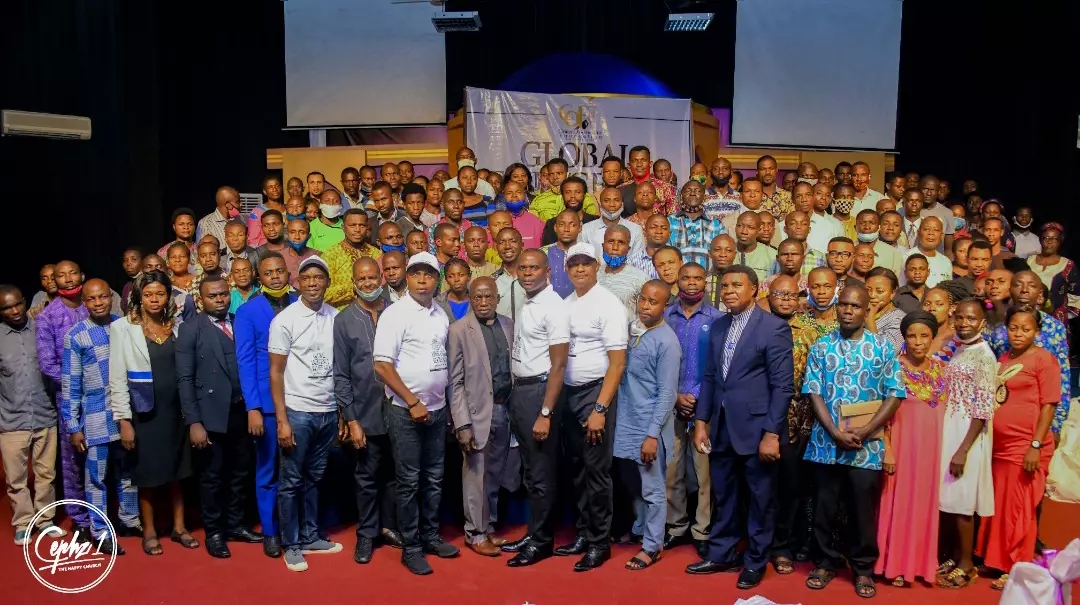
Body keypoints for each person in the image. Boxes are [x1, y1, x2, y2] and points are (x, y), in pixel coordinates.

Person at [687, 265, 794, 590]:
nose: (729, 290)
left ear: (754, 290)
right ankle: (722, 553)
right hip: (720, 428)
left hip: (758, 430)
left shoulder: (773, 328)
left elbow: (783, 387)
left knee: (761, 499)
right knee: (725, 495)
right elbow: (709, 378)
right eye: (725, 285)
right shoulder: (718, 327)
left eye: (737, 285)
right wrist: (701, 422)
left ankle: (755, 561)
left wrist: (772, 434)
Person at [802, 284, 905, 599]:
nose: (848, 311)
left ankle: (862, 569)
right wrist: (834, 431)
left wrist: (866, 430)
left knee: (862, 511)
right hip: (825, 443)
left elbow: (895, 394)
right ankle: (824, 562)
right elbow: (813, 391)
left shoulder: (883, 348)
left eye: (855, 306)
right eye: (843, 305)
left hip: (866, 447)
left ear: (865, 310)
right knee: (823, 508)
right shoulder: (821, 346)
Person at [373, 252, 459, 575]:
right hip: (406, 411)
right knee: (408, 482)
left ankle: (431, 537)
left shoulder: (441, 314)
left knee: (435, 478)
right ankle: (410, 547)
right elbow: (382, 365)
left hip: (437, 409)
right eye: (416, 273)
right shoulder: (395, 314)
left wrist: (445, 404)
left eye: (429, 274)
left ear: (437, 280)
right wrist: (412, 401)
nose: (423, 279)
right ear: (406, 278)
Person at [109, 270, 198, 556]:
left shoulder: (178, 325)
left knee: (178, 471)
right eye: (148, 295)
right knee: (146, 474)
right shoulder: (124, 328)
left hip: (176, 412)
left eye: (160, 293)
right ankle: (148, 530)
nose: (154, 299)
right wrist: (124, 420)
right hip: (144, 413)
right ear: (138, 297)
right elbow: (117, 378)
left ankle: (180, 527)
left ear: (168, 295)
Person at [176, 275, 262, 559]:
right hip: (210, 413)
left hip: (242, 409)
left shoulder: (240, 321)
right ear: (201, 299)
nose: (220, 300)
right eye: (213, 296)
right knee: (212, 476)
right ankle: (214, 531)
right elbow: (185, 378)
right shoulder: (190, 328)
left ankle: (236, 524)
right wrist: (194, 422)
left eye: (224, 294)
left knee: (241, 471)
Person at [269, 256, 343, 571]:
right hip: (298, 411)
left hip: (327, 411)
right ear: (297, 282)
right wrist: (282, 420)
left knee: (315, 478)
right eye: (307, 277)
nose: (313, 283)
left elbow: (341, 369)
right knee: (291, 481)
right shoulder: (285, 320)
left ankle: (312, 535)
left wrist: (340, 413)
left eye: (319, 277)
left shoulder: (336, 317)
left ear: (327, 282)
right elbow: (275, 372)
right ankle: (292, 544)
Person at [557, 242, 628, 571]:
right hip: (569, 393)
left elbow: (617, 363)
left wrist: (600, 409)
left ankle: (600, 542)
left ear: (596, 266)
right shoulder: (567, 303)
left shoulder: (609, 304)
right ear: (567, 268)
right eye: (574, 264)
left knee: (597, 472)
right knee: (578, 468)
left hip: (595, 393)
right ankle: (584, 533)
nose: (580, 269)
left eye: (586, 263)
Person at [978, 306, 1059, 590]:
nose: (1019, 333)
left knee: (1020, 508)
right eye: (1014, 328)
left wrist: (1035, 445)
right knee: (1001, 507)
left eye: (1026, 329)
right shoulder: (1003, 358)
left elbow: (1049, 405)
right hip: (999, 446)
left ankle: (1018, 566)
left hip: (1026, 446)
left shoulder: (1044, 360)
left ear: (1036, 331)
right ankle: (998, 559)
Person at [333, 257, 403, 564]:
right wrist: (351, 419)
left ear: (382, 277)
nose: (368, 283)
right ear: (353, 282)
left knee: (396, 474)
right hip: (365, 412)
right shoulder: (344, 319)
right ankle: (367, 534)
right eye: (361, 279)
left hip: (400, 409)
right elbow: (341, 374)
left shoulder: (398, 312)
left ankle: (389, 526)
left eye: (373, 277)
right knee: (367, 476)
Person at [503, 249, 571, 566]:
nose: (527, 273)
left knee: (542, 473)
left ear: (548, 272)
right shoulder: (530, 303)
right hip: (522, 391)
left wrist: (545, 412)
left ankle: (543, 542)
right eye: (523, 268)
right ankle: (534, 531)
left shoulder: (554, 307)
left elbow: (559, 365)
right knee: (530, 471)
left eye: (534, 268)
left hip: (540, 392)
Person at [60, 279, 134, 554]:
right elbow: (70, 383)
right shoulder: (76, 335)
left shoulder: (123, 326)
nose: (99, 302)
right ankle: (100, 532)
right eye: (92, 299)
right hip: (94, 418)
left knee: (128, 472)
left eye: (103, 297)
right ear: (84, 302)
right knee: (96, 477)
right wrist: (73, 426)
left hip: (124, 415)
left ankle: (128, 520)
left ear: (111, 297)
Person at [874, 311, 947, 587]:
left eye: (924, 336)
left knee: (924, 506)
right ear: (903, 338)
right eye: (912, 336)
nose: (918, 342)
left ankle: (919, 564)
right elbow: (881, 413)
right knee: (898, 505)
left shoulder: (941, 368)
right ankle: (893, 564)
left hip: (931, 452)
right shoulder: (893, 367)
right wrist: (887, 449)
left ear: (932, 337)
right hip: (902, 449)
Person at [235, 252, 297, 558]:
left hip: (301, 398)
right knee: (268, 471)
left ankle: (296, 528)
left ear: (288, 273)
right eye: (268, 272)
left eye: (279, 271)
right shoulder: (248, 311)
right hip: (267, 404)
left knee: (299, 470)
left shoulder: (301, 303)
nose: (275, 276)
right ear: (260, 277)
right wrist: (253, 407)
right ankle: (271, 532)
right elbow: (245, 361)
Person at [448, 276, 516, 556]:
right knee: (475, 475)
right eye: (477, 297)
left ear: (498, 298)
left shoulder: (509, 325)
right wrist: (461, 423)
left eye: (489, 297)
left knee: (494, 474)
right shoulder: (459, 330)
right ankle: (474, 534)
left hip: (504, 410)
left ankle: (487, 527)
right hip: (475, 416)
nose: (483, 302)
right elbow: (455, 381)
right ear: (470, 299)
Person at [615, 280, 680, 570]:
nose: (645, 306)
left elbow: (667, 394)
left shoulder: (667, 342)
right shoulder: (632, 330)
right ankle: (640, 529)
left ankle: (652, 546)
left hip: (648, 426)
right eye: (642, 299)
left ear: (665, 306)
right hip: (625, 421)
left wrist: (652, 435)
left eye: (653, 302)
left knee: (653, 490)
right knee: (633, 485)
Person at [663, 263, 722, 557]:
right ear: (677, 281)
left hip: (704, 409)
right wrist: (675, 396)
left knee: (703, 474)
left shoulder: (719, 319)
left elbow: (719, 368)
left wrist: (697, 398)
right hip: (670, 405)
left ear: (706, 282)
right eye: (685, 277)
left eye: (698, 278)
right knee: (672, 471)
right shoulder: (665, 317)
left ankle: (702, 530)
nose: (691, 283)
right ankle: (676, 527)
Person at [937, 298, 996, 588]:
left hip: (968, 436)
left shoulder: (985, 356)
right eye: (959, 318)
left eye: (971, 319)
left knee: (962, 505)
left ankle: (967, 565)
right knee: (948, 500)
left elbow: (983, 410)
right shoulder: (958, 350)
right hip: (950, 430)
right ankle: (951, 556)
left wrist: (963, 450)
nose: (964, 323)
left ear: (982, 323)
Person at [0, 284, 61, 546]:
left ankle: (45, 520)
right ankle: (23, 523)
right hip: (11, 420)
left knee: (46, 473)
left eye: (17, 304)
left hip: (45, 414)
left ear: (25, 301)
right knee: (16, 479)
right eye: (6, 307)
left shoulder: (41, 328)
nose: (14, 310)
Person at [36, 259, 91, 537]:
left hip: (101, 397)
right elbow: (47, 364)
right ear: (54, 281)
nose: (68, 279)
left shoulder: (93, 304)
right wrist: (81, 381)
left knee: (104, 456)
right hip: (70, 399)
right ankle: (80, 519)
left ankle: (105, 513)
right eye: (61, 275)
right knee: (73, 462)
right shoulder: (48, 317)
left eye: (73, 273)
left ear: (82, 275)